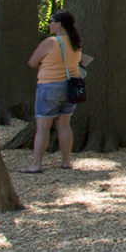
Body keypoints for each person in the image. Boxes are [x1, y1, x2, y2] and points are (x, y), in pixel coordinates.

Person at [25, 10, 90, 174]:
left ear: (59, 24)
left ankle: (36, 163)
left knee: (43, 127)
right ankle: (66, 161)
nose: (49, 24)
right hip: (70, 87)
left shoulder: (50, 42)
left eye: (51, 21)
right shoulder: (75, 42)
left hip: (49, 85)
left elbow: (32, 62)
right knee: (64, 125)